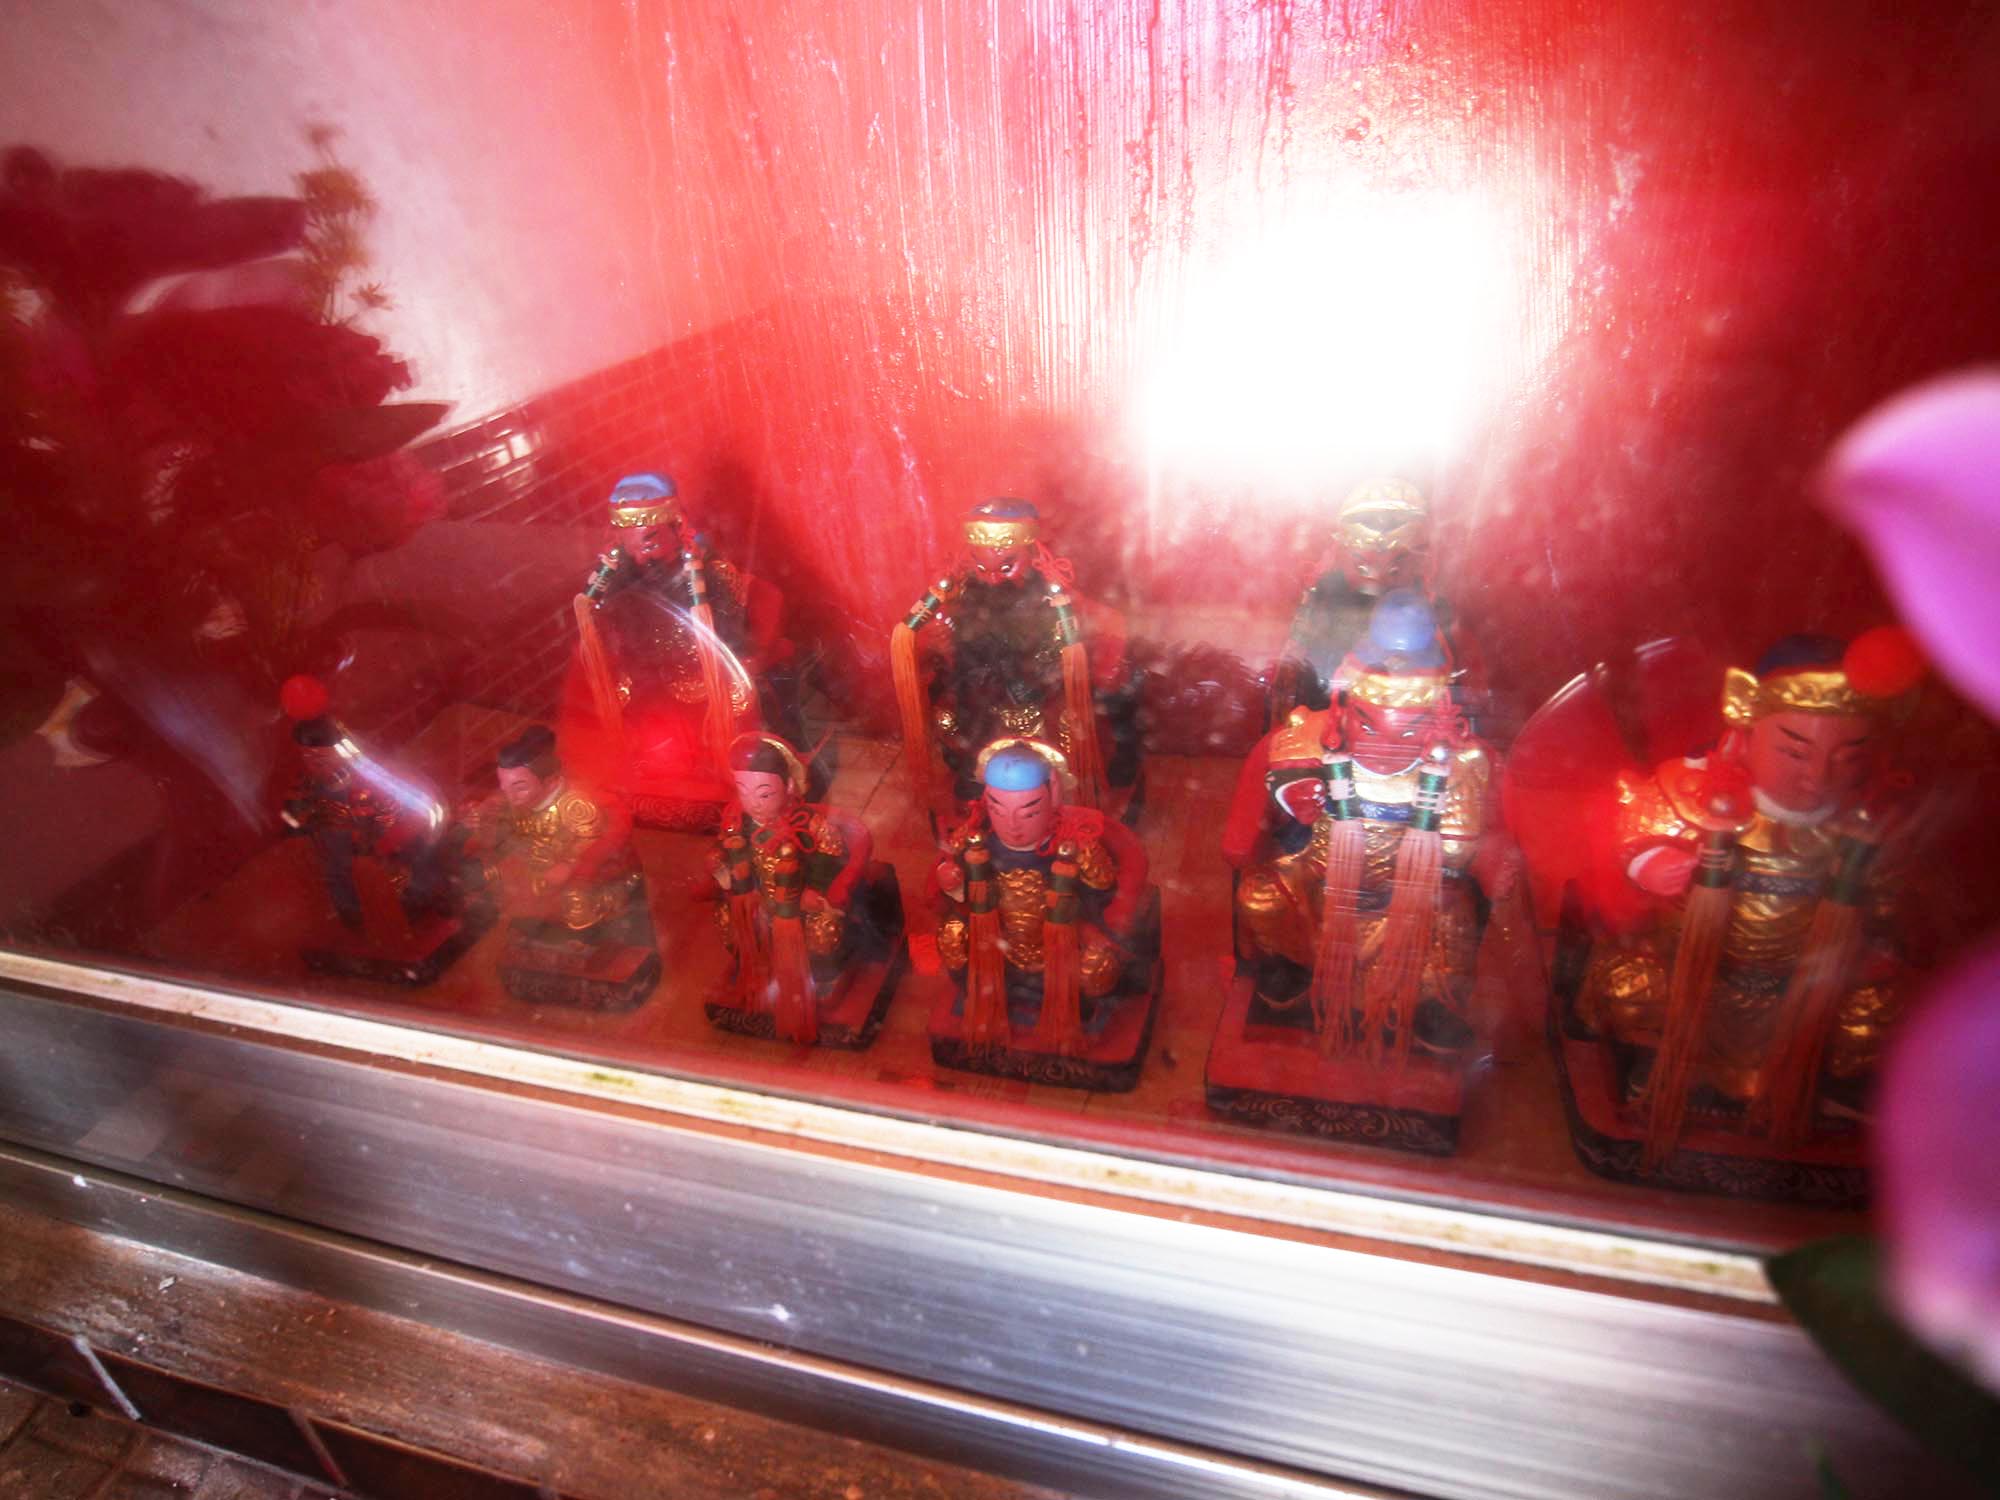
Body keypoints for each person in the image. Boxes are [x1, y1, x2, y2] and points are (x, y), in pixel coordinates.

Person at [1576, 633, 1918, 1142]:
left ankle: (1824, 1088)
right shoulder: (1697, 795)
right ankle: (1661, 1065)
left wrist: (1876, 939)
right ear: (1746, 728)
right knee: (1627, 987)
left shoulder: (1862, 824)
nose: (1817, 777)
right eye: (1795, 752)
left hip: (1805, 995)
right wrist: (1651, 862)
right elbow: (1636, 828)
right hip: (1696, 978)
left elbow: (1887, 900)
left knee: (1890, 1014)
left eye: (1847, 757)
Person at [1226, 593, 1503, 1057]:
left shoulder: (1463, 762)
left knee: (1455, 920)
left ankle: (1431, 1004)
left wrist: (1483, 848)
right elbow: (1249, 818)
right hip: (1320, 884)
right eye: (1370, 726)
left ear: (1437, 717)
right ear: (1346, 706)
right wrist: (1284, 807)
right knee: (1259, 896)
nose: (1387, 746)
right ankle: (1292, 965)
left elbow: (1462, 852)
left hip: (1410, 901)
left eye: (1410, 729)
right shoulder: (1306, 740)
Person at [894, 499, 1135, 809]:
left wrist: (1053, 659)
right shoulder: (964, 589)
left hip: (1041, 689)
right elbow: (936, 639)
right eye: (982, 568)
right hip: (981, 693)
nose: (993, 579)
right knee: (953, 715)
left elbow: (1088, 639)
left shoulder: (1053, 594)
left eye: (1007, 567)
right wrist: (944, 641)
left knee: (1069, 728)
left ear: (1031, 554)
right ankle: (974, 772)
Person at [933, 739, 1147, 1031]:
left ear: (1053, 793)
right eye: (998, 810)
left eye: (1029, 812)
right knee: (952, 935)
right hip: (996, 946)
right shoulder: (974, 841)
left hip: (1060, 952)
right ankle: (982, 995)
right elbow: (959, 897)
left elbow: (1104, 900)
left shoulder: (1076, 847)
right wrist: (952, 884)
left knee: (1098, 965)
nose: (1013, 825)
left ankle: (1075, 1011)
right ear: (985, 801)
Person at [466, 724, 651, 952]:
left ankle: (587, 941)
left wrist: (571, 866)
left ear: (551, 781)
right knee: (497, 882)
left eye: (519, 788)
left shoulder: (575, 805)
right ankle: (533, 933)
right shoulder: (510, 801)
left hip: (585, 873)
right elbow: (497, 831)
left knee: (577, 900)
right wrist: (480, 821)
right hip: (536, 867)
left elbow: (595, 844)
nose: (509, 795)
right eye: (504, 786)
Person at [711, 732, 872, 982]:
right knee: (729, 918)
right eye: (744, 792)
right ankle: (756, 963)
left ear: (788, 786)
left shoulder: (809, 826)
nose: (754, 804)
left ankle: (817, 977)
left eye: (764, 794)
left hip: (798, 907)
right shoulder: (738, 822)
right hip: (757, 901)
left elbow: (831, 863)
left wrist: (816, 892)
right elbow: (726, 853)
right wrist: (721, 864)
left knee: (824, 929)